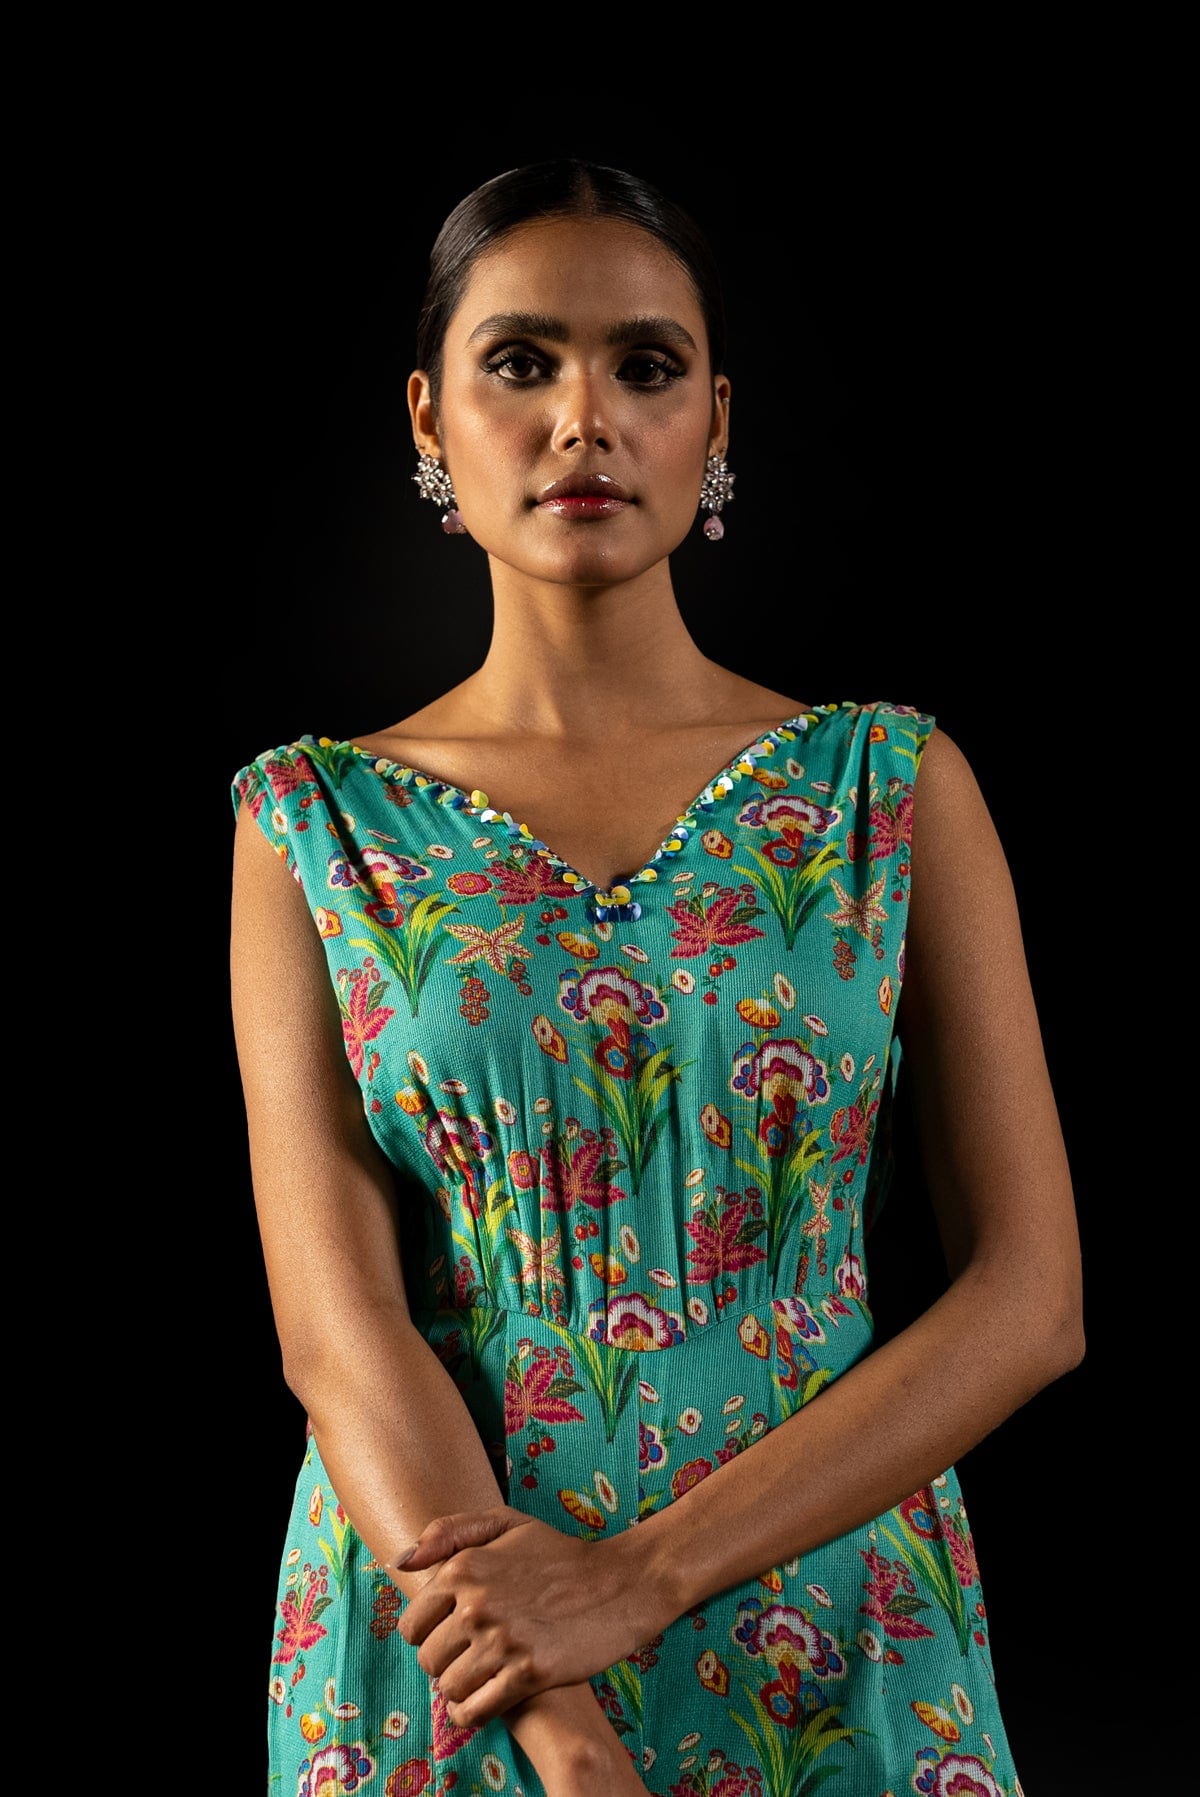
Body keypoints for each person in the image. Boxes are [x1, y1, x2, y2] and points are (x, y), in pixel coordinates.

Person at [229, 158, 1083, 1797]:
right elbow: (340, 1331)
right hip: (457, 1651)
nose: (585, 419)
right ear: (429, 417)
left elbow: (1032, 1297)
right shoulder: (314, 824)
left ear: (715, 420)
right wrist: (557, 1719)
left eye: (645, 365)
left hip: (835, 1620)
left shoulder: (888, 789)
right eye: (521, 361)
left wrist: (636, 1577)